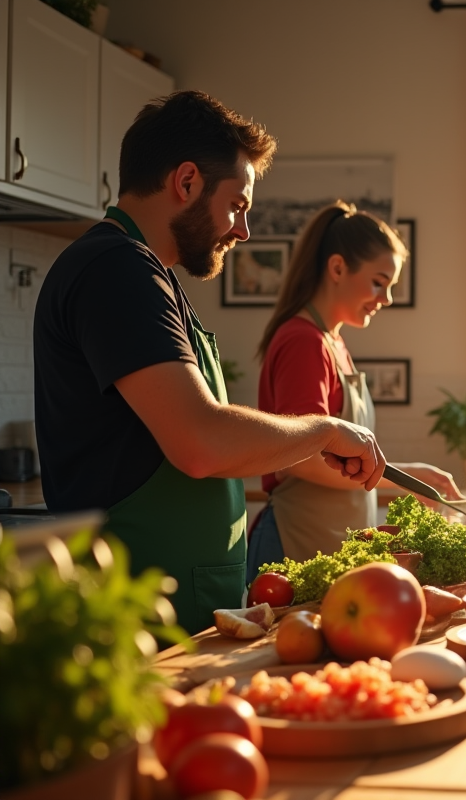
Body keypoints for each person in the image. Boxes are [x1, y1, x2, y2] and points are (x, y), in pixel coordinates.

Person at [33, 92, 386, 635]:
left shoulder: (150, 275)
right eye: (238, 206)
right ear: (188, 181)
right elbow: (201, 442)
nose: (242, 230)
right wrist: (325, 430)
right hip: (139, 611)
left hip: (175, 600)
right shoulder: (117, 270)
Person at [248, 202, 463, 576]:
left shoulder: (332, 342)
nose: (387, 299)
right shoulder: (304, 342)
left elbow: (343, 455)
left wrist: (407, 476)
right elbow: (299, 457)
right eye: (379, 282)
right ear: (337, 268)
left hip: (326, 542)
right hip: (297, 542)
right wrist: (400, 478)